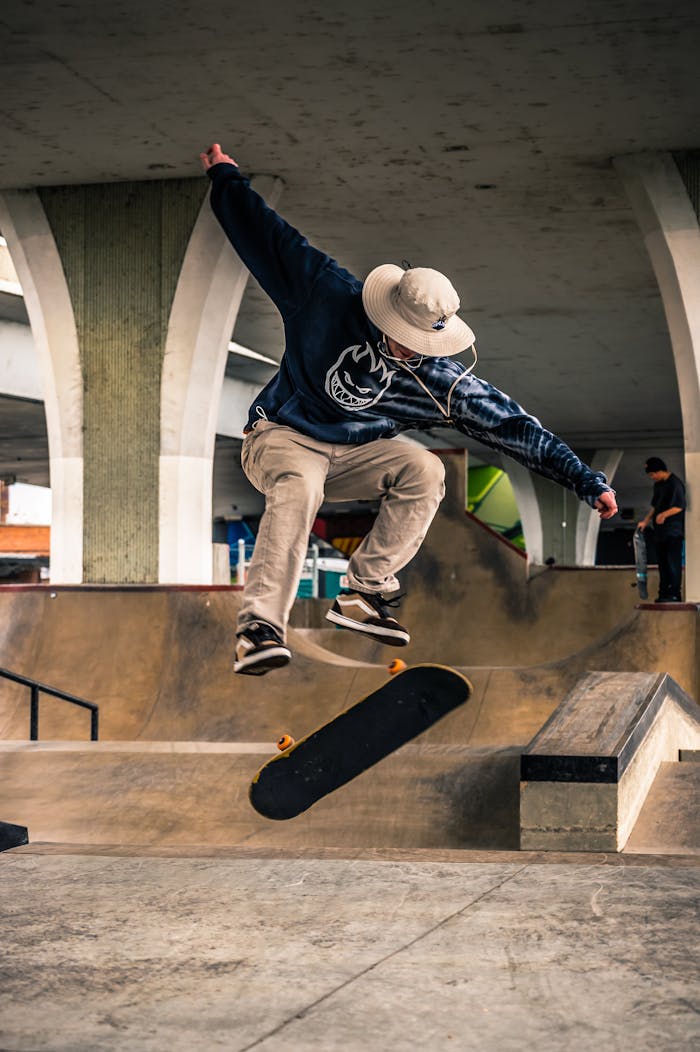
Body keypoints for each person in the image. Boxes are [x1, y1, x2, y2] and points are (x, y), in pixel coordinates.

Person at [200, 143, 618, 675]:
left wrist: (586, 481)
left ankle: (364, 591)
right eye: (401, 341)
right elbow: (267, 237)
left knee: (425, 468)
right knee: (300, 487)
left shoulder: (442, 382)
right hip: (281, 435)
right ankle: (258, 628)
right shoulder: (325, 293)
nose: (409, 353)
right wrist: (226, 178)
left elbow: (516, 427)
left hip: (355, 452)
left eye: (420, 346)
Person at [637, 457, 685, 602]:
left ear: (659, 471)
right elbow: (655, 506)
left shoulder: (675, 483)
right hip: (660, 531)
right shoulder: (658, 485)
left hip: (673, 531)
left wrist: (664, 514)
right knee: (662, 564)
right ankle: (663, 593)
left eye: (652, 474)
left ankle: (674, 593)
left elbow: (680, 506)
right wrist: (646, 521)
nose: (652, 478)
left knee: (673, 563)